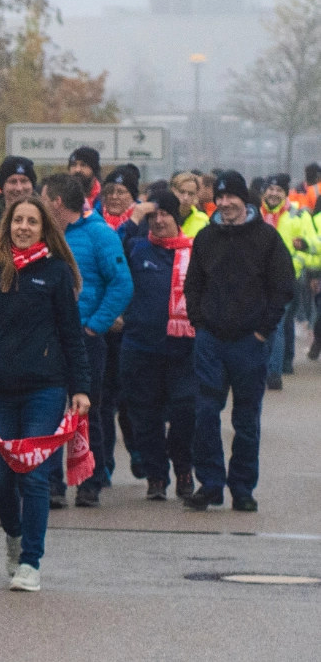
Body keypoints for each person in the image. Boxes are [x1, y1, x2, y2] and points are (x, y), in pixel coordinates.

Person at [0, 197, 92, 592]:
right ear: (7, 224)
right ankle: (14, 538)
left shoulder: (55, 273)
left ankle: (31, 562)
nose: (23, 227)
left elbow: (72, 335)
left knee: (33, 476)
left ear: (43, 228)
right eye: (17, 220)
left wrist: (81, 387)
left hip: (45, 390)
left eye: (32, 221)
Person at [182, 171, 294, 513]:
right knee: (204, 414)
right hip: (211, 341)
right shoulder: (205, 238)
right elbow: (193, 286)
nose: (226, 203)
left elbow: (282, 287)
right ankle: (210, 484)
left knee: (246, 420)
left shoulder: (267, 238)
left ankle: (242, 487)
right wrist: (199, 324)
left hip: (249, 342)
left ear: (245, 200)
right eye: (221, 197)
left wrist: (263, 330)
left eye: (233, 197)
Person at [43, 172, 132, 508]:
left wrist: (95, 326)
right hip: (48, 339)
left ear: (57, 202)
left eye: (43, 197)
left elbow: (122, 284)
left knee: (85, 412)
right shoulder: (43, 234)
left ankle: (88, 482)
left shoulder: (99, 234)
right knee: (49, 411)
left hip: (85, 339)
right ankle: (51, 483)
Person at [119, 189, 198, 502]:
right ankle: (156, 476)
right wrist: (134, 217)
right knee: (145, 417)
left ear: (176, 216)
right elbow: (110, 252)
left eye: (165, 213)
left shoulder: (195, 251)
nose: (159, 220)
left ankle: (183, 469)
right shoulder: (137, 248)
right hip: (141, 348)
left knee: (185, 413)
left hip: (185, 350)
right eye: (153, 215)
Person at [256, 174, 313, 388]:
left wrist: (294, 265)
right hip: (256, 279)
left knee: (277, 324)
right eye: (270, 189)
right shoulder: (254, 213)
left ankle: (273, 373)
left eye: (278, 190)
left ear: (285, 193)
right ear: (264, 192)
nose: (273, 193)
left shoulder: (298, 215)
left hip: (285, 279)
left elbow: (311, 244)